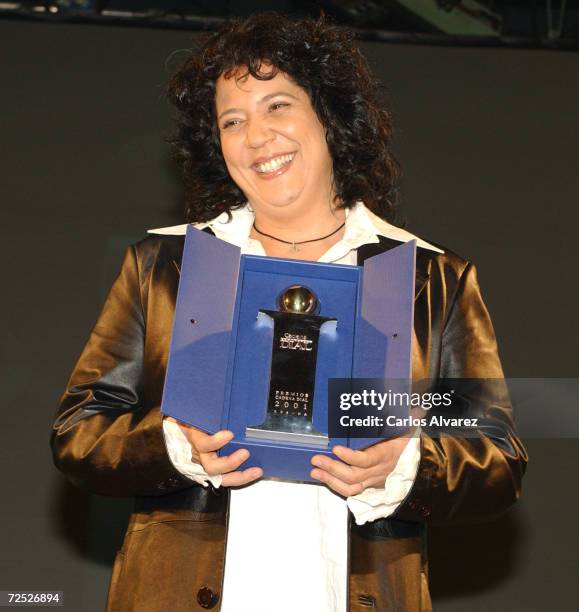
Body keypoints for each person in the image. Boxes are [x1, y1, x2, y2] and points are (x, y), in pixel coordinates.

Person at [50, 13, 527, 612]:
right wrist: (176, 445)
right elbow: (79, 432)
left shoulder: (429, 278)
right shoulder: (165, 265)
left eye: (278, 106)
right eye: (232, 119)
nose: (256, 137)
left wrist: (402, 462)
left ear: (328, 115)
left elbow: (496, 458)